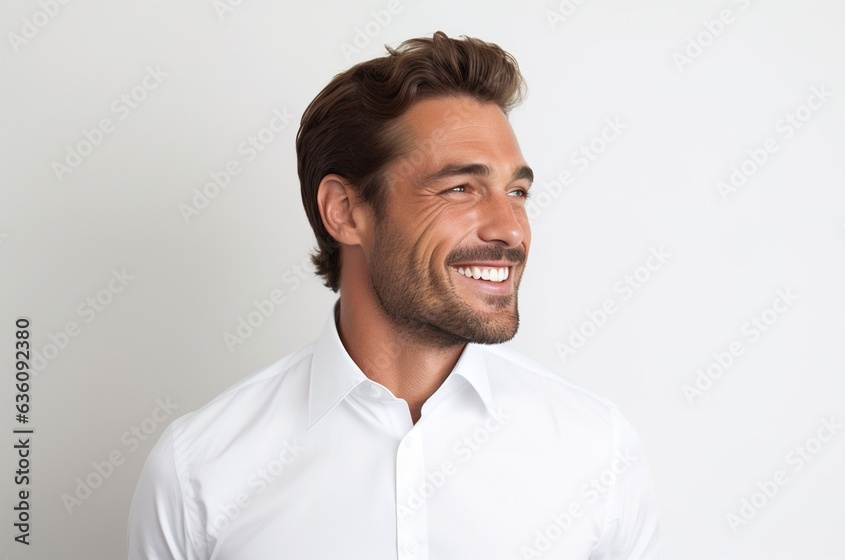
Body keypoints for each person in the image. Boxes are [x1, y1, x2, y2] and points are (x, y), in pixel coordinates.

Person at [128, 31, 663, 559]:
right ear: (345, 211)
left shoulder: (600, 454)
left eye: (517, 192)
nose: (512, 230)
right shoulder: (198, 471)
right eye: (460, 188)